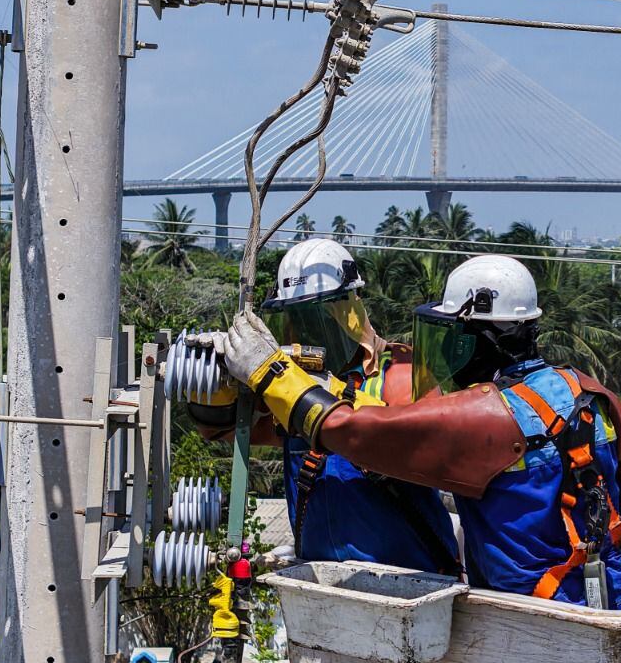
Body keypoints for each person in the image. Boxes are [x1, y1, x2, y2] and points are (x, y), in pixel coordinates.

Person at [216, 254, 621, 608]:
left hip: (538, 611)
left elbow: (352, 433)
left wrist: (271, 373)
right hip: (607, 595)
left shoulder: (486, 414)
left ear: (482, 339)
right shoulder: (581, 388)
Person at [189, 238, 460, 576]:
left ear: (348, 312)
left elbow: (421, 449)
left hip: (409, 583)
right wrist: (216, 379)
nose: (307, 332)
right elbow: (225, 430)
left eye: (319, 317)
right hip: (322, 586)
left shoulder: (399, 375)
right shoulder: (287, 389)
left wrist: (322, 391)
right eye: (297, 319)